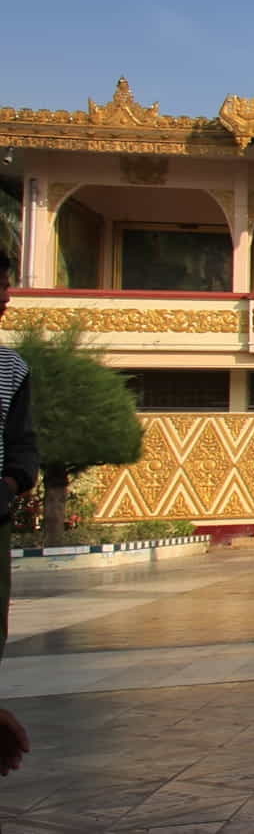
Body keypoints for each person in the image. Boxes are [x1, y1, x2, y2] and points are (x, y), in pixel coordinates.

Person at [0, 249, 42, 659]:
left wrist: (10, 484)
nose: (7, 297)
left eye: (8, 285)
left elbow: (23, 443)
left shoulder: (12, 367)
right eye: (1, 286)